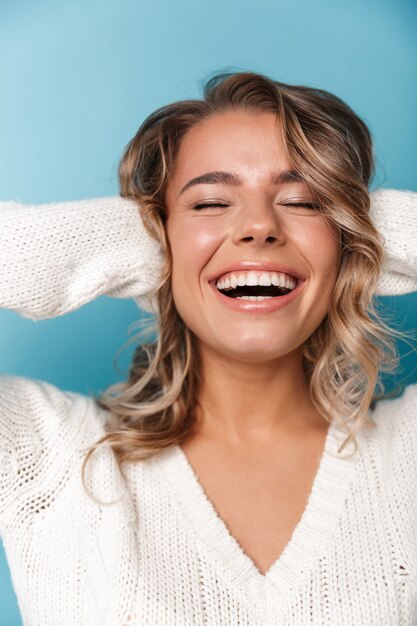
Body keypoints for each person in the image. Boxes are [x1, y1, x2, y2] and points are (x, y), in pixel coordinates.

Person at [0, 71, 416, 625]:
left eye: (303, 199)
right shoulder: (43, 454)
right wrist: (131, 240)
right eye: (211, 202)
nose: (259, 226)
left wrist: (364, 238)